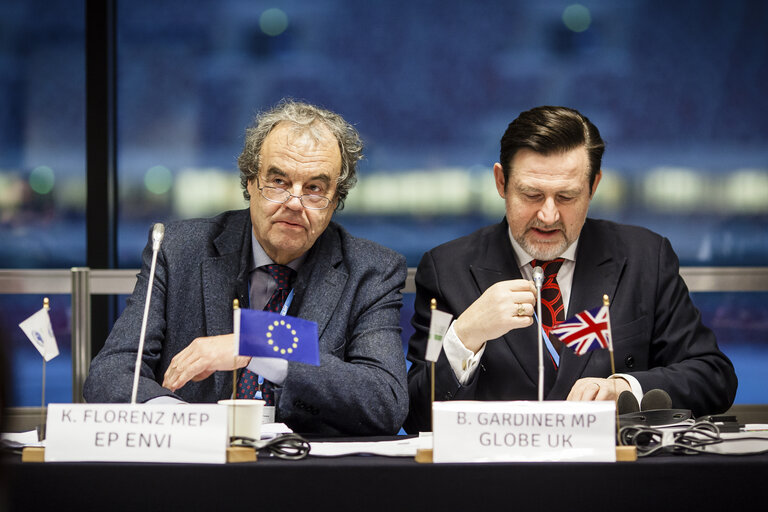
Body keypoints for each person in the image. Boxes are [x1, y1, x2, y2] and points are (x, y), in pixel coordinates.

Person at [84, 100, 409, 436]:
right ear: (251, 182)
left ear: (335, 199)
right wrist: (184, 422)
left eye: (314, 188)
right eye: (279, 182)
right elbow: (111, 373)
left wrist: (256, 348)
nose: (294, 203)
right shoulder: (179, 250)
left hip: (307, 475)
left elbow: (386, 400)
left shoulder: (371, 271)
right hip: (197, 467)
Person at [404, 105, 737, 433]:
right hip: (499, 480)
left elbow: (713, 376)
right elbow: (418, 412)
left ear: (593, 186)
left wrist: (626, 387)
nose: (548, 216)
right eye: (532, 194)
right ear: (501, 182)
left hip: (617, 479)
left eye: (566, 197)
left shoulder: (646, 258)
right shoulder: (446, 270)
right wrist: (465, 336)